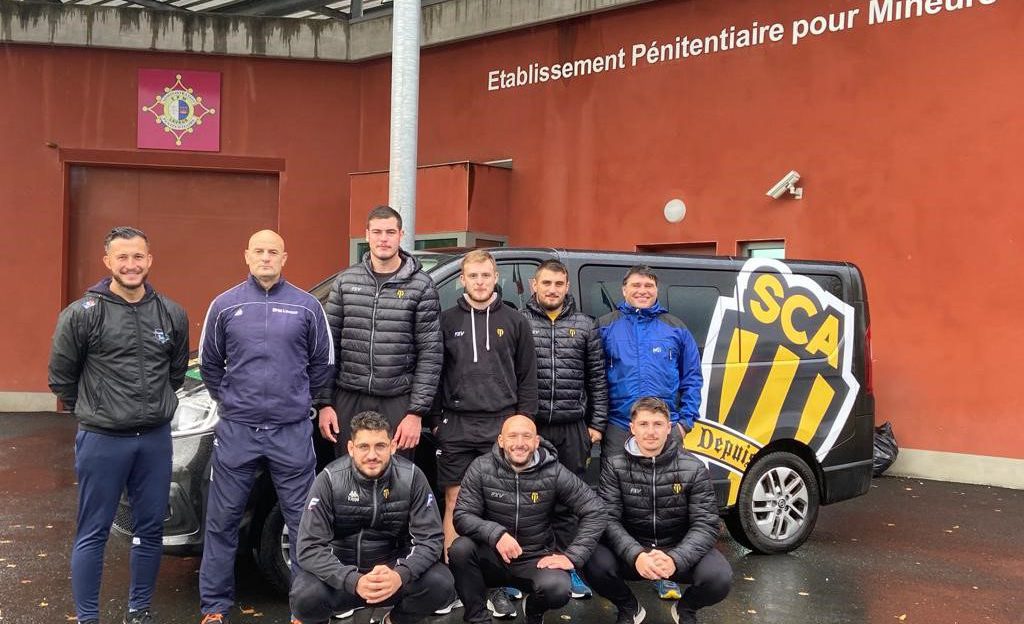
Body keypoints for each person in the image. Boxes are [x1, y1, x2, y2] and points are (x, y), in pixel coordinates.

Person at [48, 226, 189, 624]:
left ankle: (139, 611)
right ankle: (88, 618)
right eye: (123, 257)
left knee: (149, 530)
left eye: (138, 256)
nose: (131, 265)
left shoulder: (172, 313)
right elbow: (62, 377)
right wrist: (97, 411)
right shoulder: (82, 314)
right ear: (108, 261)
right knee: (93, 531)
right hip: (103, 440)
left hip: (154, 442)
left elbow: (175, 374)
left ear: (150, 260)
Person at [197, 230, 334, 624]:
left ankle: (304, 608)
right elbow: (209, 364)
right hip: (238, 430)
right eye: (259, 251)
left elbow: (323, 364)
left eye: (273, 251)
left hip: (291, 430)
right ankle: (214, 607)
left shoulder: (307, 306)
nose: (266, 258)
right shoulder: (224, 305)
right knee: (222, 521)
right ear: (246, 256)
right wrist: (232, 400)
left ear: (284, 257)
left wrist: (301, 400)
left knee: (304, 523)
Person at [435, 249, 538, 617]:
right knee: (455, 500)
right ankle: (454, 583)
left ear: (496, 278)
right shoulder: (445, 321)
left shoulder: (515, 321)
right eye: (473, 275)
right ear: (462, 280)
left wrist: (523, 424)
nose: (479, 281)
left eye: (486, 275)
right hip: (458, 424)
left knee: (500, 505)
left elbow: (528, 376)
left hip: (501, 424)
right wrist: (435, 420)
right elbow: (433, 375)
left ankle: (500, 587)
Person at [289, 411, 457, 624]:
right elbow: (309, 547)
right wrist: (352, 580)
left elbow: (431, 540)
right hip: (344, 576)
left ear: (392, 446)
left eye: (380, 446)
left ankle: (395, 621)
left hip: (393, 574)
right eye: (363, 447)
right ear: (351, 448)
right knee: (304, 597)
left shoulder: (413, 477)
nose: (372, 455)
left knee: (442, 584)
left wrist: (400, 575)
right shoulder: (329, 479)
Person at [597, 265, 703, 600]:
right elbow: (592, 377)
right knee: (616, 502)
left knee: (665, 504)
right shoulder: (606, 327)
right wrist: (596, 422)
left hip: (664, 427)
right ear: (623, 289)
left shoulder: (675, 327)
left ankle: (664, 570)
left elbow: (693, 377)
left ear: (656, 290)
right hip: (618, 424)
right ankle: (621, 566)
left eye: (648, 285)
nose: (642, 290)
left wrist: (685, 420)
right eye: (636, 285)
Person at [581, 397, 731, 624]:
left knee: (719, 577)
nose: (650, 432)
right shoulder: (614, 465)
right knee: (591, 560)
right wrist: (636, 554)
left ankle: (685, 610)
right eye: (643, 424)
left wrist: (675, 558)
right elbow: (608, 519)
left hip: (677, 547)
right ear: (632, 428)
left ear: (669, 428)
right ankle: (629, 608)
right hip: (633, 549)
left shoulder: (694, 467)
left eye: (658, 424)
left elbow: (706, 524)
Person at [449, 415, 606, 624]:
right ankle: (478, 618)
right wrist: (496, 535)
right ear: (501, 441)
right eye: (512, 436)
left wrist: (573, 556)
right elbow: (462, 516)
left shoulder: (554, 471)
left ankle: (533, 611)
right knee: (460, 549)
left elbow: (595, 509)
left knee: (558, 589)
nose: (520, 443)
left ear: (536, 441)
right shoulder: (481, 467)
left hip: (534, 557)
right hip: (492, 555)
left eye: (527, 436)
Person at [317, 205, 442, 457]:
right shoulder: (346, 282)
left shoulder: (421, 286)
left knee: (396, 478)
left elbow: (430, 354)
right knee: (347, 476)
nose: (383, 239)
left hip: (397, 400)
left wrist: (416, 413)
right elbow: (328, 348)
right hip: (348, 398)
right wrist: (324, 403)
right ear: (367, 235)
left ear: (401, 234)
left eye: (389, 232)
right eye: (377, 232)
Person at [522, 259, 608, 598]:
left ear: (567, 287)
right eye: (546, 283)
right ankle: (528, 570)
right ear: (534, 285)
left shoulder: (586, 326)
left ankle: (569, 567)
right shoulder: (520, 321)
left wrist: (596, 425)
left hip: (574, 427)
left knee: (570, 502)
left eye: (558, 283)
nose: (552, 289)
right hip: (535, 425)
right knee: (531, 501)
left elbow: (597, 379)